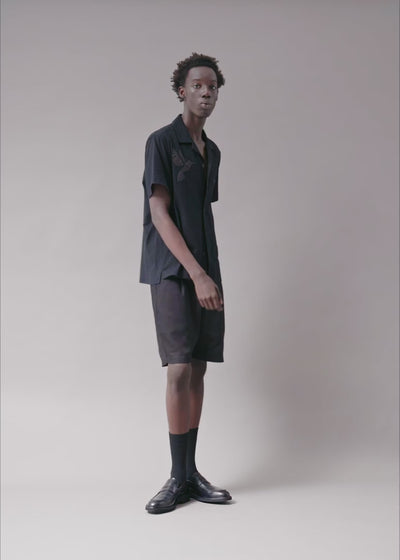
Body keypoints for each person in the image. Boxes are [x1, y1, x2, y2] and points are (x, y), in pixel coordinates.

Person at [139, 53, 232, 514]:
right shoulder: (162, 141)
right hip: (175, 270)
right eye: (197, 85)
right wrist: (196, 274)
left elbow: (200, 212)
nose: (205, 92)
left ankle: (191, 473)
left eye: (212, 86)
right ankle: (176, 478)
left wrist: (208, 272)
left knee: (198, 367)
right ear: (182, 91)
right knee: (178, 368)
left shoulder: (212, 151)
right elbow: (159, 212)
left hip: (206, 269)